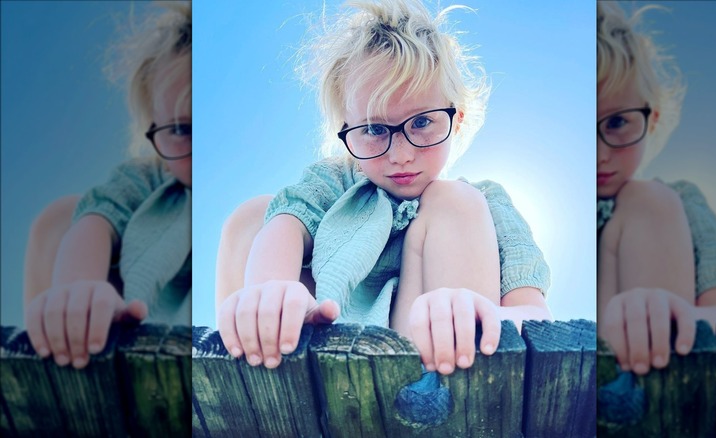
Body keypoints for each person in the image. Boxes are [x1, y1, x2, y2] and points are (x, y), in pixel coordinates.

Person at [216, 0, 552, 375]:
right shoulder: (337, 180)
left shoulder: (487, 204)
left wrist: (485, 314)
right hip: (321, 341)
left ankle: (450, 379)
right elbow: (287, 223)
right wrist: (272, 289)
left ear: (456, 119)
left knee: (455, 200)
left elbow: (534, 315)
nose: (402, 154)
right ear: (347, 131)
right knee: (255, 216)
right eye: (375, 130)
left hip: (425, 356)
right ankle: (252, 358)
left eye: (422, 122)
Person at [23, 2, 192, 369]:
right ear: (154, 129)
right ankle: (61, 354)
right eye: (182, 130)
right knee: (61, 216)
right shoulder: (150, 179)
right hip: (131, 334)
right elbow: (96, 221)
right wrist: (78, 287)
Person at [596, 2, 716, 375]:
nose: (598, 154)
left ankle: (661, 378)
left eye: (616, 122)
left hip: (674, 359)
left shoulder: (681, 203)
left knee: (650, 198)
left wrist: (674, 313)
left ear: (653, 118)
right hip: (578, 372)